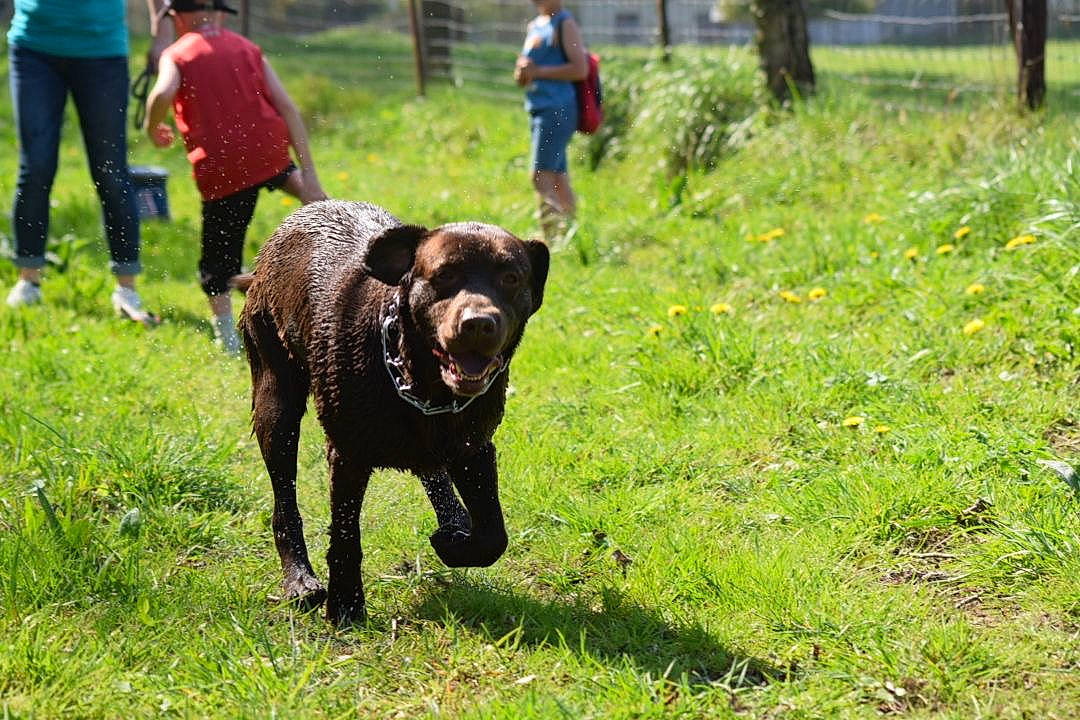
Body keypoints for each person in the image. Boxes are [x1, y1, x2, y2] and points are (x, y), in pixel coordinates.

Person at [144, 0, 326, 353]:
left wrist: (154, 128)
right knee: (301, 190)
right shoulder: (248, 48)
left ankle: (228, 337)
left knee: (219, 258)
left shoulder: (177, 54)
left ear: (178, 17)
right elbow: (287, 107)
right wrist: (311, 174)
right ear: (218, 13)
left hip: (223, 168)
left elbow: (163, 92)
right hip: (267, 151)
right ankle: (334, 224)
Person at [5, 0, 167, 326]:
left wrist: (161, 35)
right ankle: (29, 277)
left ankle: (127, 288)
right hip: (33, 47)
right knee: (35, 166)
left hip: (102, 52)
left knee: (110, 171)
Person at [514, 0, 587, 246]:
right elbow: (530, 66)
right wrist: (523, 73)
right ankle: (571, 236)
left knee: (539, 176)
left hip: (557, 108)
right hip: (538, 108)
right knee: (557, 176)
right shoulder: (535, 25)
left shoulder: (565, 23)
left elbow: (580, 69)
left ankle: (551, 242)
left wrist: (539, 72)